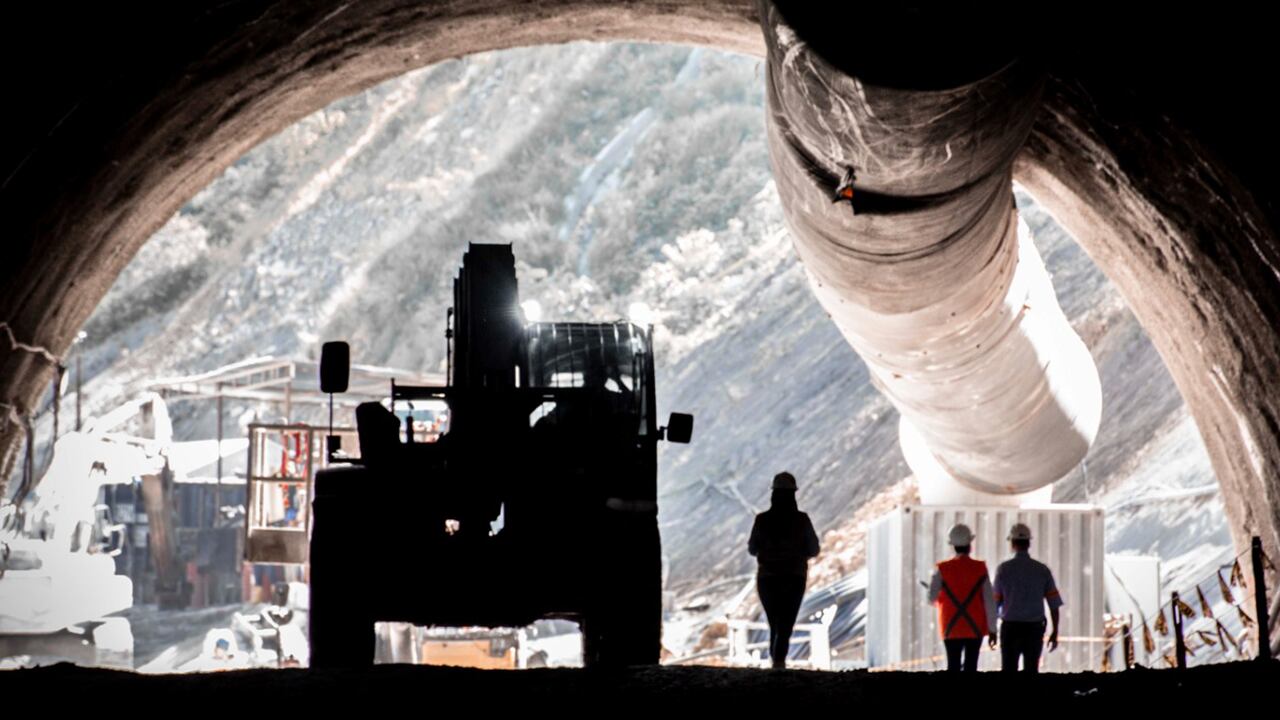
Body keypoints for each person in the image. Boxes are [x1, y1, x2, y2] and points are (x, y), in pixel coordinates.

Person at [747, 471, 820, 669]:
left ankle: (776, 661)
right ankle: (778, 661)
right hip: (794, 578)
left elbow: (752, 549)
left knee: (774, 621)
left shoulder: (762, 520)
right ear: (793, 494)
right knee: (786, 622)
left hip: (767, 578)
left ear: (773, 493)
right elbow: (814, 549)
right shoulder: (802, 520)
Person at [993, 523, 1063, 673]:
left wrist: (992, 630)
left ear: (1012, 543)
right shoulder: (1042, 570)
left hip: (1010, 628)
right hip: (1034, 629)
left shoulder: (1004, 569)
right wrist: (1055, 631)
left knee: (1008, 670)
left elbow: (995, 603)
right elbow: (1054, 604)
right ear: (1029, 543)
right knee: (1031, 670)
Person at [927, 523, 997, 672]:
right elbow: (989, 601)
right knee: (971, 667)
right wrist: (992, 629)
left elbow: (931, 598)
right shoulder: (979, 568)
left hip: (951, 627)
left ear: (952, 546)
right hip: (975, 627)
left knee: (953, 666)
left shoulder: (942, 569)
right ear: (970, 545)